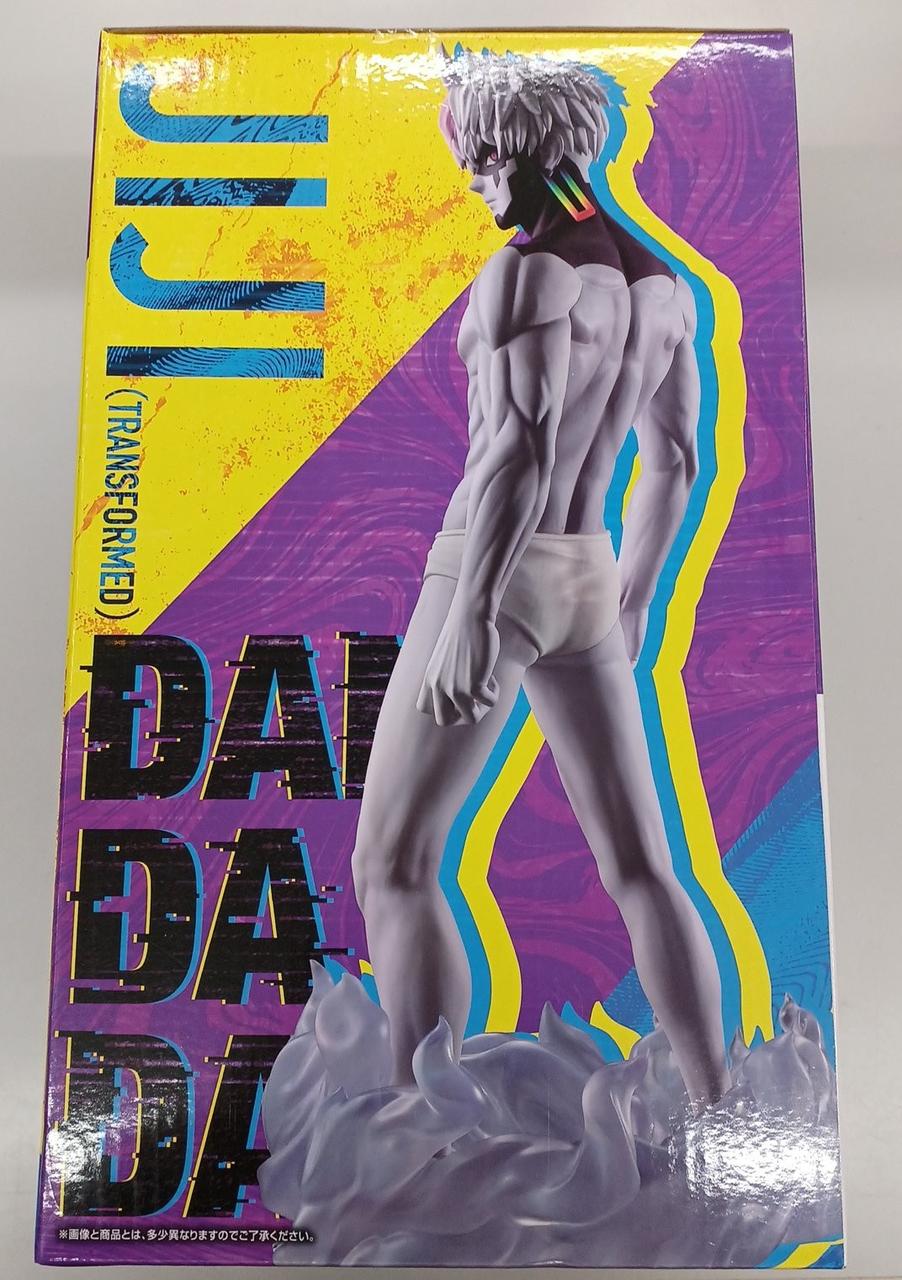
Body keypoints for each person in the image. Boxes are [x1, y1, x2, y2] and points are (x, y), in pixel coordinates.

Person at [351, 49, 730, 1106]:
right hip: (588, 575)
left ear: (529, 150)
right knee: (642, 866)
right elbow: (677, 459)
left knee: (394, 863)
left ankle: (422, 1123)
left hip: (494, 568)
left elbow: (516, 451)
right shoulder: (664, 287)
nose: (476, 184)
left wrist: (474, 612)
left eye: (484, 161)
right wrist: (635, 595)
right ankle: (718, 1108)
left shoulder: (527, 274)